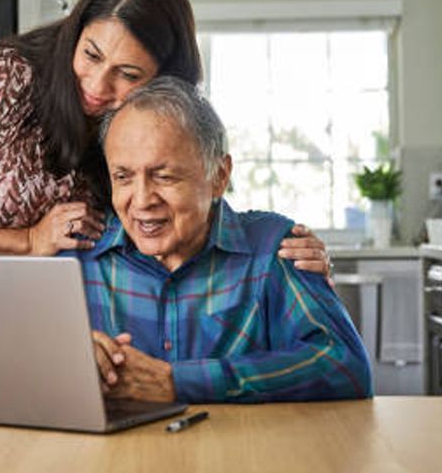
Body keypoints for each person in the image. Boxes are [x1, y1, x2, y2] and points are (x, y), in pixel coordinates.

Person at [0, 0, 329, 271]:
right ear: (76, 32)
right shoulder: (3, 77)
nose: (96, 85)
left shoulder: (147, 125)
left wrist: (283, 254)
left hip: (41, 314)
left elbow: (190, 202)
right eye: (91, 54)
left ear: (164, 80)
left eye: (127, 74)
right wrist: (28, 241)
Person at [76, 76, 371, 403]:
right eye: (123, 177)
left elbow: (345, 367)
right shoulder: (80, 256)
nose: (142, 199)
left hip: (243, 450)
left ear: (219, 177)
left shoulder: (273, 248)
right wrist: (67, 360)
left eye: (164, 176)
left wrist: (178, 382)